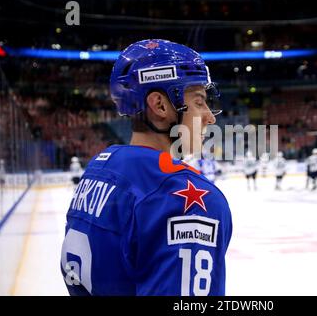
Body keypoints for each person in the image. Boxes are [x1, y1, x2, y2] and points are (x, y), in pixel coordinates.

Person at [60, 39, 233, 296]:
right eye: (199, 102)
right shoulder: (185, 197)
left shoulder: (100, 168)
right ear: (160, 106)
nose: (209, 116)